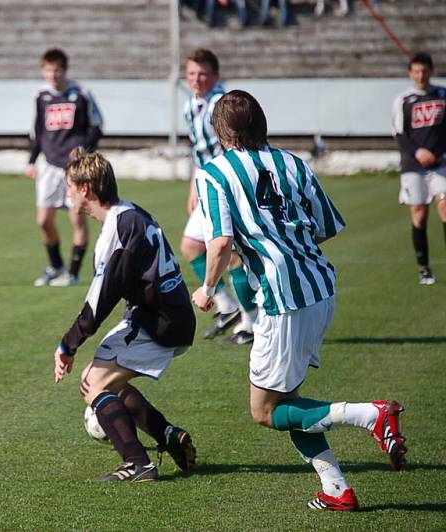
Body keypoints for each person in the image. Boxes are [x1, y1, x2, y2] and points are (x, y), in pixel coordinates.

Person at [191, 90, 407, 510]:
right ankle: (336, 488)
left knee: (265, 411)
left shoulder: (214, 172)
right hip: (320, 287)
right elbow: (326, 226)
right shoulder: (293, 163)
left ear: (220, 130)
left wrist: (206, 288)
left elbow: (218, 243)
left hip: (282, 299)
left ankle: (371, 414)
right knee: (286, 401)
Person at [52, 152, 197, 481]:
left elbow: (98, 302)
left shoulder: (118, 227)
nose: (67, 195)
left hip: (159, 321)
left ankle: (138, 463)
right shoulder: (129, 212)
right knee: (98, 378)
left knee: (94, 385)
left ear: (86, 189)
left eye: (70, 187)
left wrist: (68, 345)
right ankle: (167, 435)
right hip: (161, 314)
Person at [181, 49, 258, 344]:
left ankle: (251, 323)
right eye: (191, 74)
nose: (196, 79)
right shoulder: (191, 105)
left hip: (226, 182)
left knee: (233, 255)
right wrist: (194, 184)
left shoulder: (223, 105)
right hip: (206, 180)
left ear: (215, 76)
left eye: (202, 74)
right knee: (191, 246)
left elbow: (235, 145)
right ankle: (227, 308)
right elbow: (198, 151)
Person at [27, 48, 103, 287]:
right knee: (43, 220)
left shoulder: (81, 94)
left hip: (74, 169)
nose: (53, 74)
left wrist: (84, 153)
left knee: (77, 219)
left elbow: (97, 126)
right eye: (49, 69)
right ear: (43, 70)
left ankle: (72, 273)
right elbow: (37, 132)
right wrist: (31, 160)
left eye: (57, 69)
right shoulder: (41, 96)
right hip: (49, 166)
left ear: (65, 70)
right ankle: (55, 266)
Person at [392, 52, 446, 285]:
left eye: (424, 70)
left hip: (441, 163)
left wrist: (437, 152)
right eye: (416, 71)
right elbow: (399, 134)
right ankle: (424, 267)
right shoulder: (403, 100)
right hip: (413, 167)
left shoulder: (442, 95)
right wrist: (418, 152)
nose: (420, 75)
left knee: (445, 207)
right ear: (410, 73)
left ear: (431, 71)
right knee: (420, 215)